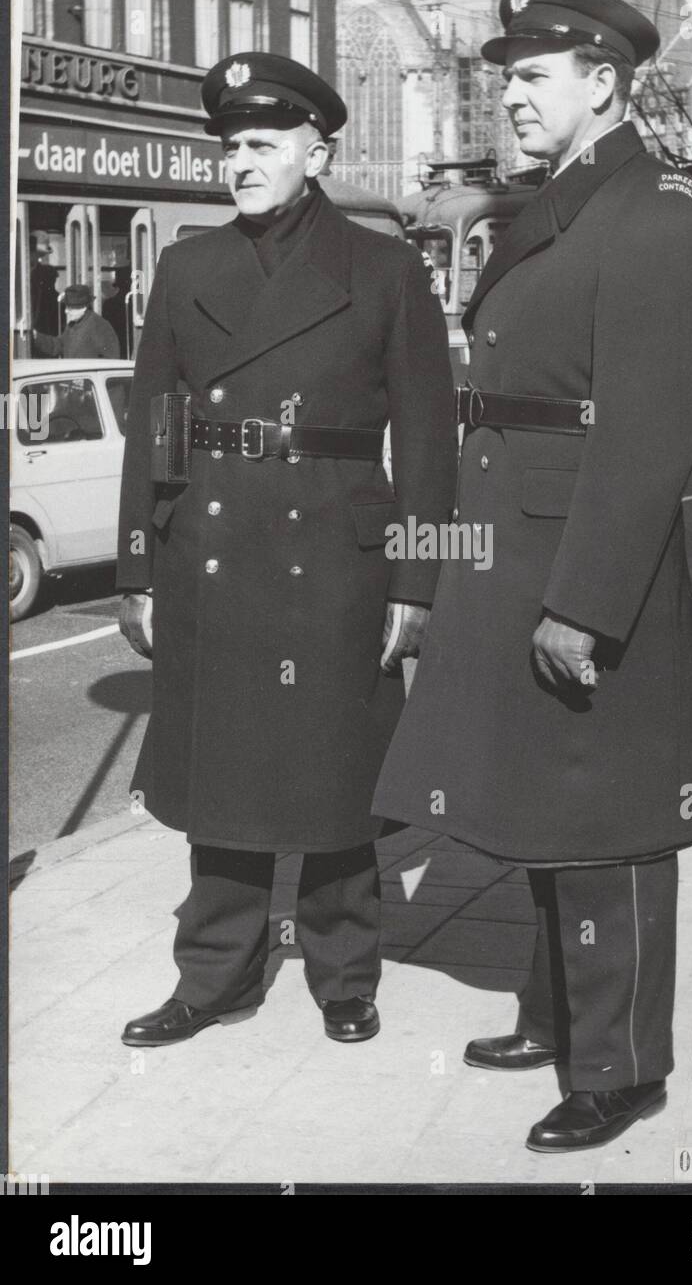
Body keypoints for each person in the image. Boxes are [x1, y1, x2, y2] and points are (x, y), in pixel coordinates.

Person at [372, 0, 692, 1152]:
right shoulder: (564, 200)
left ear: (603, 81)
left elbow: (648, 432)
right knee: (538, 794)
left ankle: (623, 1067)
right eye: (504, 77)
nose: (508, 97)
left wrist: (582, 601)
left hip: (582, 555)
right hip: (517, 539)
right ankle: (553, 1008)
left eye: (529, 77)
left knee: (607, 813)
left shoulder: (661, 214)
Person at [116, 52, 457, 1049]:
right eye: (230, 145)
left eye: (262, 144)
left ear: (320, 150)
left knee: (335, 776)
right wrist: (139, 563)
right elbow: (155, 424)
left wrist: (418, 581)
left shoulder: (386, 271)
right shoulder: (187, 267)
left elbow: (430, 442)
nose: (240, 162)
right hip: (212, 551)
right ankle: (214, 975)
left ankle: (345, 973)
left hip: (336, 557)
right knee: (219, 778)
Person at [32, 283, 120, 360]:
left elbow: (111, 359)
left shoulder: (100, 326)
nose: (66, 311)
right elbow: (59, 345)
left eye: (70, 308)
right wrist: (37, 337)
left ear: (83, 308)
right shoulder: (73, 325)